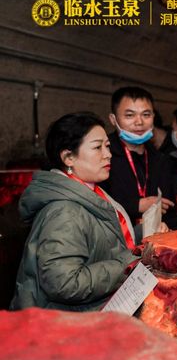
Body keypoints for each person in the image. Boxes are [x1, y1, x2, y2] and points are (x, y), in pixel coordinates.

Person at [11, 112, 166, 311]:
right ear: (68, 157)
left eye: (107, 146)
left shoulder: (92, 192)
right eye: (97, 147)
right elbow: (65, 284)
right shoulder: (64, 212)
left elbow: (100, 240)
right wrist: (130, 262)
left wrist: (144, 233)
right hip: (68, 325)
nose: (108, 154)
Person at [101, 87, 176, 229]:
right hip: (117, 241)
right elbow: (94, 202)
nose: (139, 122)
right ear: (113, 119)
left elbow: (170, 208)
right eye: (130, 115)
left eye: (146, 115)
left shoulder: (161, 158)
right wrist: (137, 205)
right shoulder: (103, 155)